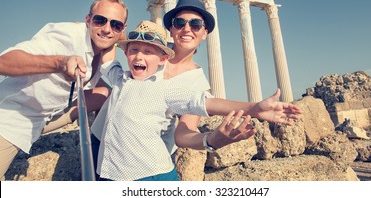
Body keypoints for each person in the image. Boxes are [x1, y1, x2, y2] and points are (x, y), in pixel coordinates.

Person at [96, 20, 302, 181]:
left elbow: (205, 103)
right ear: (126, 53)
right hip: (109, 168)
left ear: (162, 59)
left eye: (148, 51)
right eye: (134, 50)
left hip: (150, 174)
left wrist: (254, 108)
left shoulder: (167, 88)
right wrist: (113, 27)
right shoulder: (120, 77)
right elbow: (107, 56)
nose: (139, 56)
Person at [0, 0, 128, 180]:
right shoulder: (66, 36)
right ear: (88, 20)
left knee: (106, 93)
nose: (107, 29)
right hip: (13, 118)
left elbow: (118, 34)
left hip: (46, 117)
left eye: (115, 25)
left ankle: (100, 152)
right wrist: (60, 63)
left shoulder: (106, 42)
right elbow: (4, 62)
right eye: (100, 20)